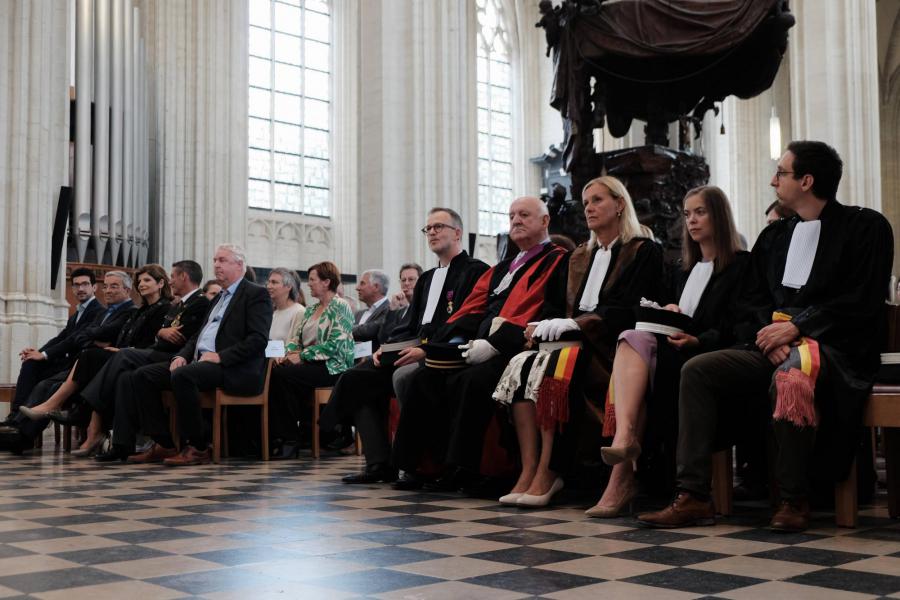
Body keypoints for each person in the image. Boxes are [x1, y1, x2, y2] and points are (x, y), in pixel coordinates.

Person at [638, 141, 894, 532]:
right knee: (699, 369)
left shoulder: (866, 227)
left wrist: (797, 329)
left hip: (837, 349)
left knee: (791, 374)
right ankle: (693, 495)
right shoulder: (774, 237)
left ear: (806, 181)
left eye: (782, 173)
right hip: (769, 346)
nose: (773, 180)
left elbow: (861, 300)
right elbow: (750, 301)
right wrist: (768, 336)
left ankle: (794, 499)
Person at [496, 176, 664, 507]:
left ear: (619, 204)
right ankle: (530, 469)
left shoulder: (643, 251)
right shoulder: (577, 257)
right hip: (569, 343)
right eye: (586, 202)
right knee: (522, 364)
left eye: (598, 200)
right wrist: (543, 323)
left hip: (611, 349)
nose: (589, 207)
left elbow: (630, 307)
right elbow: (552, 305)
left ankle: (550, 469)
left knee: (558, 365)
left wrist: (575, 324)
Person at [585, 186, 748, 517]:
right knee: (631, 335)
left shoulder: (741, 266)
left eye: (700, 212)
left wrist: (700, 339)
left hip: (708, 354)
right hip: (674, 349)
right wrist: (670, 310)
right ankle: (626, 436)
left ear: (719, 214)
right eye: (687, 214)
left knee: (642, 362)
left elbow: (740, 322)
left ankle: (624, 462)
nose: (691, 220)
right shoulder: (681, 268)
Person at [391, 196, 568, 491]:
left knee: (469, 381)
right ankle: (416, 466)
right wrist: (435, 346)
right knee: (426, 377)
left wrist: (496, 343)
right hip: (479, 345)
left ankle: (464, 469)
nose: (516, 220)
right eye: (512, 215)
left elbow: (541, 311)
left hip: (517, 347)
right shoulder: (503, 267)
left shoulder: (556, 259)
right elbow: (469, 311)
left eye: (524, 214)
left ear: (545, 221)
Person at [325, 208, 489, 484]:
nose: (433, 232)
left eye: (439, 227)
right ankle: (378, 463)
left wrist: (428, 349)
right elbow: (410, 325)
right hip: (415, 346)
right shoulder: (426, 278)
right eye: (428, 229)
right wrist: (386, 347)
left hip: (445, 352)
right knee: (357, 377)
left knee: (406, 376)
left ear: (457, 233)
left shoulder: (475, 272)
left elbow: (470, 321)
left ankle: (420, 464)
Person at [20, 265, 173, 456]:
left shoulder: (165, 308)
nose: (141, 284)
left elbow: (153, 344)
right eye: (140, 281)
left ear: (160, 283)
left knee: (90, 356)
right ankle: (85, 427)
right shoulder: (140, 310)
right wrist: (114, 346)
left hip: (142, 358)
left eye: (147, 280)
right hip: (124, 356)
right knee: (88, 355)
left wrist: (121, 349)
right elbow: (80, 337)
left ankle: (71, 413)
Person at [0, 271, 137, 453]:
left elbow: (91, 336)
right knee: (31, 365)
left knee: (47, 386)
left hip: (95, 366)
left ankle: (22, 436)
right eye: (106, 286)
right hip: (80, 363)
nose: (108, 290)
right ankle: (15, 421)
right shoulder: (96, 313)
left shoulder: (123, 311)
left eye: (114, 286)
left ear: (127, 290)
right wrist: (40, 352)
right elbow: (73, 337)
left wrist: (89, 338)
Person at [161, 244, 272, 466]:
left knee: (183, 376)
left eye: (222, 260)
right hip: (202, 363)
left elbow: (258, 340)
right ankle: (162, 442)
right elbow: (197, 337)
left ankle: (198, 447)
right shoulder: (218, 298)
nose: (216, 265)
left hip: (234, 369)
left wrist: (221, 356)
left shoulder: (256, 294)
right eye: (214, 260)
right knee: (144, 375)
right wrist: (181, 355)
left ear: (239, 264)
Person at [87, 261, 210, 463]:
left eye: (173, 276)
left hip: (175, 357)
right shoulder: (178, 304)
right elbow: (162, 335)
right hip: (158, 352)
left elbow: (182, 337)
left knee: (123, 355)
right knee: (127, 378)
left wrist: (161, 334)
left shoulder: (200, 302)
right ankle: (125, 445)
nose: (170, 280)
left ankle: (90, 404)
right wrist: (161, 332)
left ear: (184, 277)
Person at [267, 261, 355, 458]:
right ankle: (288, 437)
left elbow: (336, 345)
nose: (309, 284)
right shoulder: (310, 309)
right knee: (277, 371)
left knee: (284, 376)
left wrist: (302, 355)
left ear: (326, 282)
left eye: (313, 280)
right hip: (311, 365)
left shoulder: (341, 306)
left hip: (333, 367)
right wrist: (288, 354)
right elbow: (295, 339)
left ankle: (290, 439)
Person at [3, 267, 104, 424]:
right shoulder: (77, 313)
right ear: (72, 288)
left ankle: (20, 424)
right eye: (76, 285)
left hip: (79, 367)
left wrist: (44, 355)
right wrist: (38, 352)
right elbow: (61, 337)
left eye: (85, 284)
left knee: (43, 386)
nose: (80, 289)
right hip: (66, 364)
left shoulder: (99, 311)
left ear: (94, 287)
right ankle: (15, 415)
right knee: (30, 363)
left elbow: (73, 341)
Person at [352, 270, 391, 359]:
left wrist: (344, 328)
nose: (357, 287)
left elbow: (371, 329)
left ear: (376, 287)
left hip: (373, 364)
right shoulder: (359, 313)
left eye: (362, 283)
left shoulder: (390, 310)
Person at [267, 267, 306, 343]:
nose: (269, 286)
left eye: (274, 282)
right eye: (269, 282)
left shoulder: (299, 312)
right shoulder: (273, 313)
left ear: (288, 286)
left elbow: (297, 346)